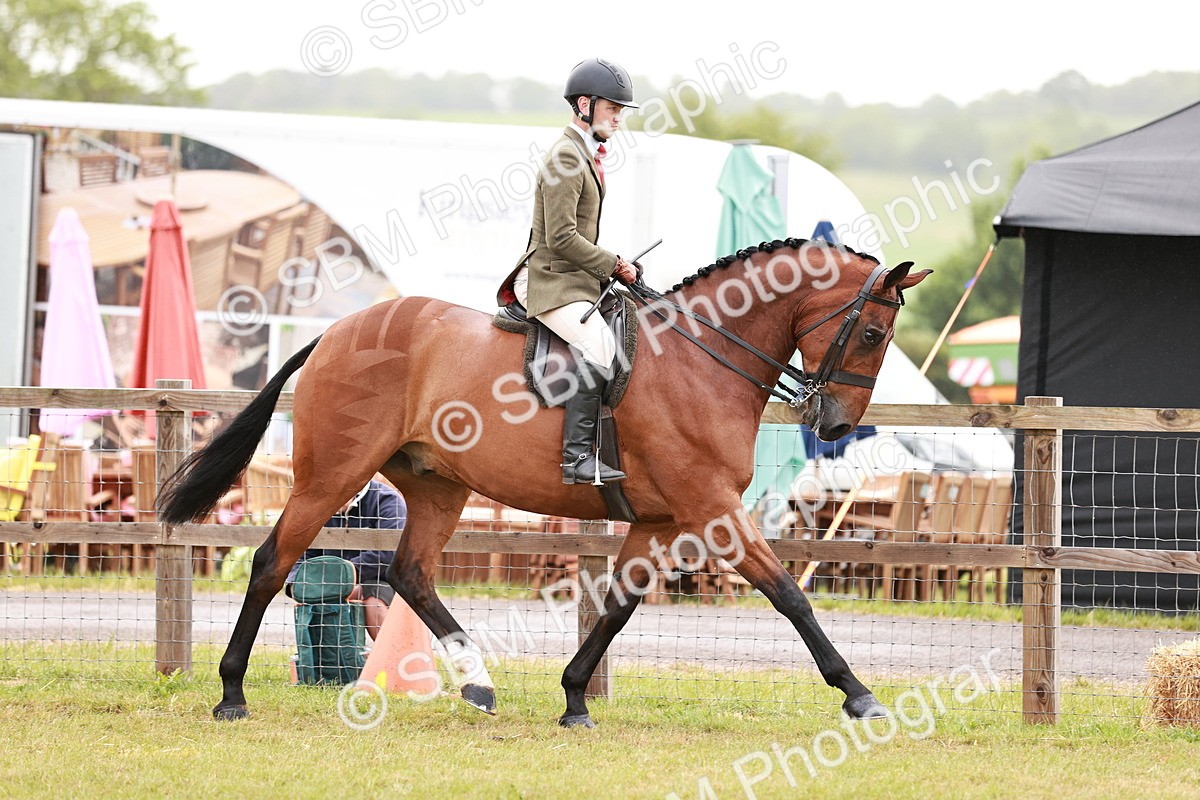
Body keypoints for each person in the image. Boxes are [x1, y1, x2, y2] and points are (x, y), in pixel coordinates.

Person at [496, 57, 640, 486]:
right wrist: (611, 263)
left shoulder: (581, 153)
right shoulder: (565, 157)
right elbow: (560, 238)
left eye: (619, 111)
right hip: (549, 280)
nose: (618, 119)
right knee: (600, 349)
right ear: (584, 105)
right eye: (613, 109)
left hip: (574, 277)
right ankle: (576, 459)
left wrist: (614, 268)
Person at [285, 480, 406, 641]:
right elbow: (305, 553)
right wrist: (297, 584)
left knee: (373, 603)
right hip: (330, 582)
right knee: (313, 601)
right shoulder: (320, 503)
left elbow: (389, 554)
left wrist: (344, 576)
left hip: (383, 580)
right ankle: (330, 662)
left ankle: (392, 658)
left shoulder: (388, 501)